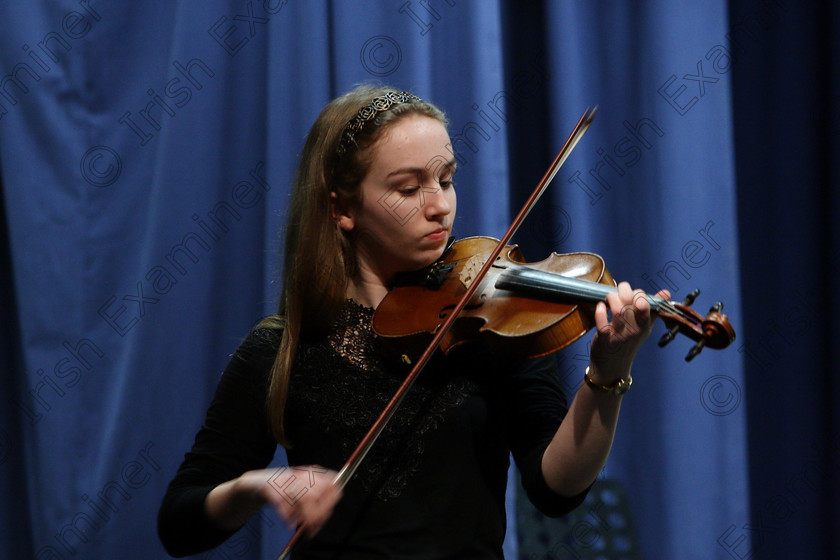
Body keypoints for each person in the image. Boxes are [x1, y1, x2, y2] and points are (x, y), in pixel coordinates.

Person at [157, 84, 668, 559]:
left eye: (446, 179)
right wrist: (256, 485)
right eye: (408, 189)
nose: (440, 207)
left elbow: (556, 489)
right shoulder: (283, 348)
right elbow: (180, 525)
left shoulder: (490, 325)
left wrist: (607, 372)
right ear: (342, 208)